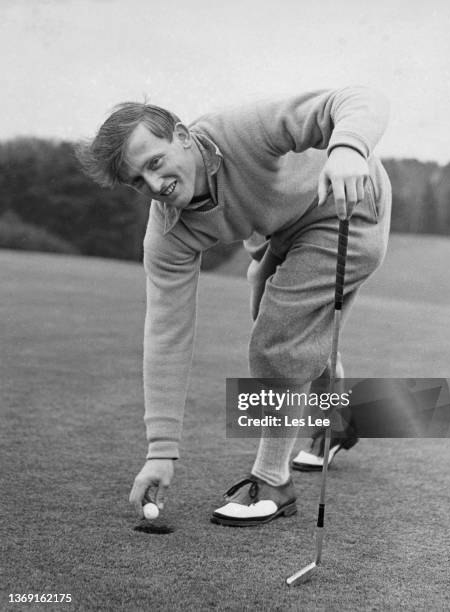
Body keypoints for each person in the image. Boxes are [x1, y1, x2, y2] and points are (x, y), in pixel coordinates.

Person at [76, 87, 392, 527]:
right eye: (137, 182)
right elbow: (167, 335)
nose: (155, 186)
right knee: (279, 319)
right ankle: (337, 414)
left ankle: (272, 480)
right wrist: (161, 449)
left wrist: (348, 148)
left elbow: (356, 99)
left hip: (349, 206)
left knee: (278, 338)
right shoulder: (169, 233)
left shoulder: (241, 131)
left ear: (183, 136)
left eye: (154, 163)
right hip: (282, 229)